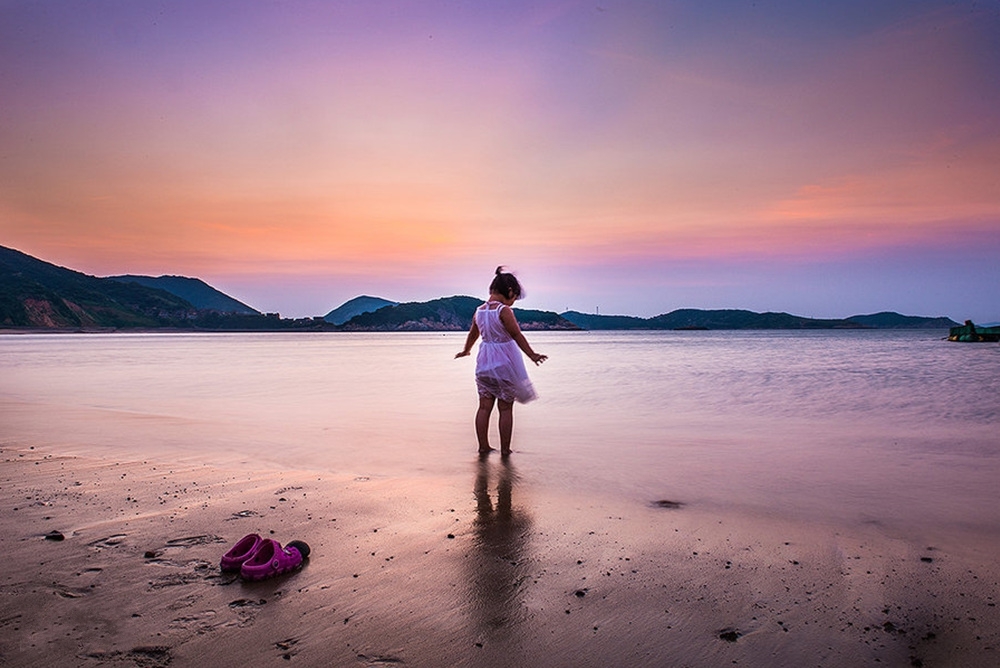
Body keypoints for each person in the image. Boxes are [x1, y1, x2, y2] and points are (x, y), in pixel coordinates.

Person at [455, 267, 547, 456]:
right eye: (514, 298)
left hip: (484, 363)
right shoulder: (503, 311)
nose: (512, 302)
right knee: (505, 408)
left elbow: (473, 334)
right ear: (510, 291)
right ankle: (505, 450)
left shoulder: (479, 311)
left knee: (483, 406)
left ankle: (483, 447)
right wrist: (532, 355)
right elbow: (516, 335)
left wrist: (466, 350)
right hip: (504, 363)